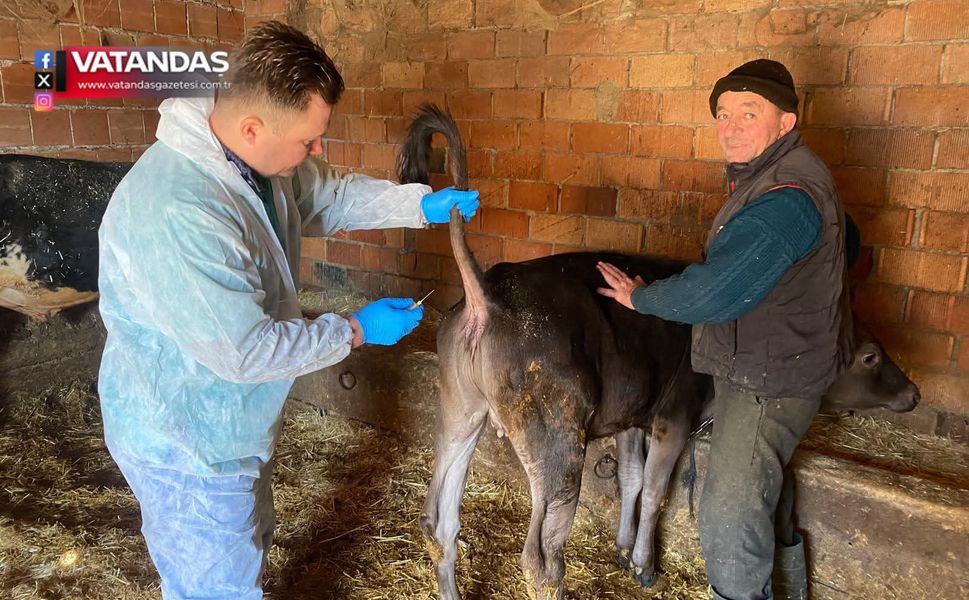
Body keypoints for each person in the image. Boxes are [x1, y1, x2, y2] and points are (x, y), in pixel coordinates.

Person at [96, 20, 478, 600]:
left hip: (233, 420)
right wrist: (354, 329)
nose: (317, 151)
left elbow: (330, 194)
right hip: (186, 437)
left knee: (246, 541)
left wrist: (422, 205)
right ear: (254, 127)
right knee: (214, 585)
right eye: (308, 140)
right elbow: (245, 351)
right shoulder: (182, 209)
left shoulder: (249, 157)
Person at [597, 59, 850, 600]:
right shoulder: (776, 176)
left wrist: (641, 297)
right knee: (765, 487)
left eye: (749, 113)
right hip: (779, 363)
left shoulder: (787, 197)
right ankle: (790, 588)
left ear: (785, 123)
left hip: (769, 381)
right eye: (723, 114)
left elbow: (714, 292)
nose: (731, 126)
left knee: (728, 514)